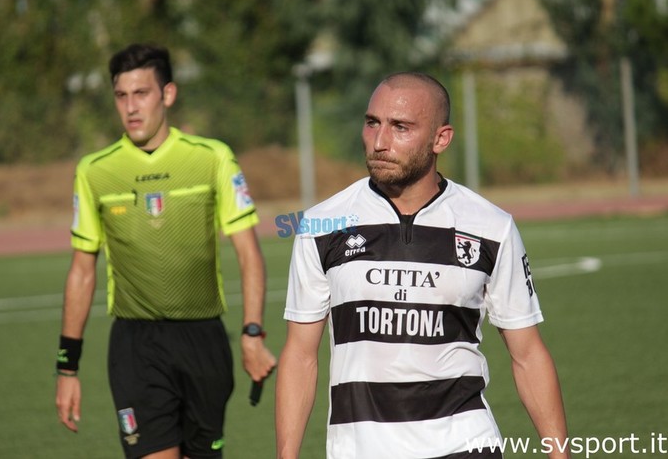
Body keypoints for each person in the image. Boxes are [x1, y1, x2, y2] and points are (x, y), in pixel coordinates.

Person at [275, 72, 569, 459]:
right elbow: (300, 354)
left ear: (440, 139)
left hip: (466, 443)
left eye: (400, 127)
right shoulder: (320, 224)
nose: (380, 142)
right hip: (360, 449)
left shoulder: (491, 226)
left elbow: (528, 353)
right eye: (372, 123)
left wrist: (559, 454)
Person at [54, 43, 276, 459]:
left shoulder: (212, 158)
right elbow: (82, 272)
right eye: (122, 96)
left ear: (168, 95)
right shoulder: (95, 171)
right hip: (135, 345)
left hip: (203, 339)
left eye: (142, 93)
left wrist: (252, 332)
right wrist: (67, 366)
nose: (131, 107)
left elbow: (249, 253)